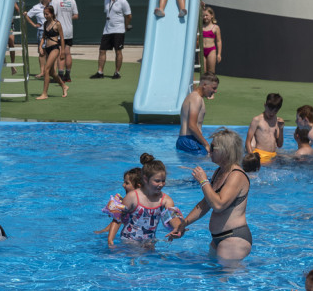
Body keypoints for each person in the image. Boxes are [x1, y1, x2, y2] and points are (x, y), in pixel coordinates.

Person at [173, 128, 252, 261]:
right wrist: (183, 224)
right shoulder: (219, 172)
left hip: (234, 238)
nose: (209, 150)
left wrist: (203, 181)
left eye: (213, 147)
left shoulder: (236, 175)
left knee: (224, 279)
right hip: (218, 238)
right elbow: (205, 204)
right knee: (213, 277)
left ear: (225, 150)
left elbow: (218, 205)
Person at [103, 153, 184, 247]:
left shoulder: (165, 200)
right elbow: (118, 217)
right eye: (157, 181)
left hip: (149, 243)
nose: (161, 184)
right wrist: (110, 240)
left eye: (163, 180)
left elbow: (173, 217)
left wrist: (177, 228)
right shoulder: (133, 197)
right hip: (129, 242)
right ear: (145, 179)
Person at [90, 0, 132, 80]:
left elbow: (129, 16)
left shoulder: (123, 1)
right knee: (102, 51)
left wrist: (125, 26)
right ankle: (100, 72)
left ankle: (117, 72)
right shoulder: (106, 0)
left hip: (119, 30)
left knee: (118, 51)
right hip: (107, 30)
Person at [176, 72, 218, 154]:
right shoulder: (196, 98)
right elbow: (192, 126)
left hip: (184, 140)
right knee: (209, 160)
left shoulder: (193, 96)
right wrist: (206, 144)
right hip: (189, 140)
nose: (215, 91)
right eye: (213, 88)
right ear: (205, 85)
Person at [95, 168, 143, 235]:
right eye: (124, 182)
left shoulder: (135, 203)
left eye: (127, 183)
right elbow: (118, 219)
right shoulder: (129, 202)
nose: (123, 185)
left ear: (138, 186)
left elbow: (118, 220)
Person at [35, 5, 68, 99]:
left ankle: (44, 94)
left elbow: (62, 38)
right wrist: (41, 47)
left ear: (52, 14)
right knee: (52, 73)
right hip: (47, 49)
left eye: (47, 14)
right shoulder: (45, 24)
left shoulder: (57, 24)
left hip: (55, 48)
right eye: (44, 14)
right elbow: (43, 38)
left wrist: (62, 52)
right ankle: (64, 86)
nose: (45, 15)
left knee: (46, 70)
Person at [245, 93, 284, 164]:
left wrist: (281, 129)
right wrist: (252, 157)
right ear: (265, 105)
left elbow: (279, 145)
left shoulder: (277, 121)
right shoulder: (257, 120)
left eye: (275, 111)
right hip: (260, 155)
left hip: (273, 156)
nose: (272, 113)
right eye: (270, 110)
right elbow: (248, 141)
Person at [51, 0, 78, 82]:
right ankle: (68, 75)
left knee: (60, 53)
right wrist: (67, 16)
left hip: (59, 31)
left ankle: (61, 76)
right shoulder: (72, 0)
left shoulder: (55, 0)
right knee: (67, 52)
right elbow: (76, 15)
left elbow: (53, 15)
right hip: (69, 31)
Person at [22, 0, 51, 76]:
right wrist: (33, 24)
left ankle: (50, 72)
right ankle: (42, 72)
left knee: (51, 52)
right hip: (42, 32)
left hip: (52, 31)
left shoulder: (52, 6)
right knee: (42, 52)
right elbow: (26, 15)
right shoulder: (36, 7)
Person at [199, 6, 223, 74]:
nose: (205, 17)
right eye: (203, 16)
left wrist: (219, 54)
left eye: (207, 15)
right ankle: (203, 84)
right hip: (202, 51)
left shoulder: (215, 27)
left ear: (212, 15)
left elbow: (219, 41)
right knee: (203, 71)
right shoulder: (200, 26)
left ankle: (212, 84)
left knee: (211, 72)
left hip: (211, 50)